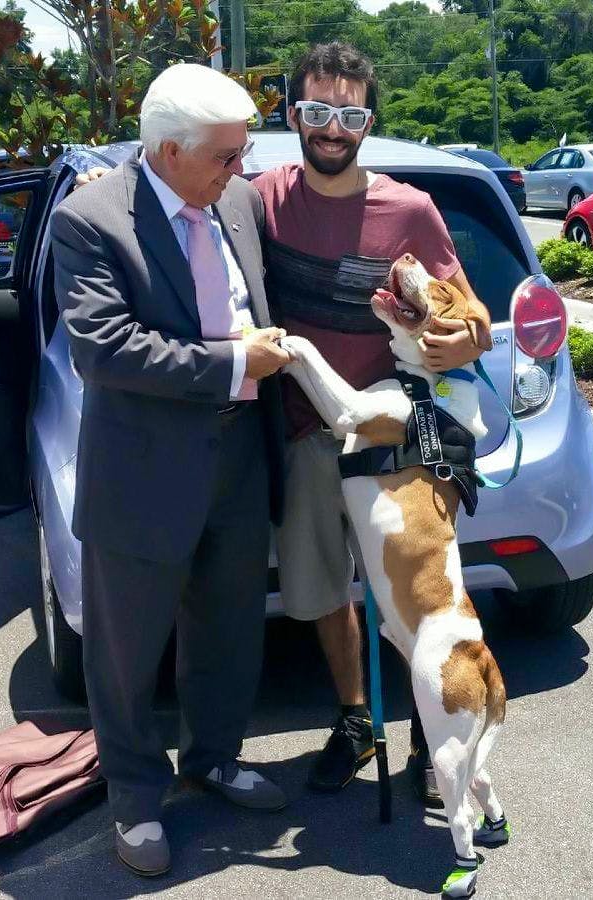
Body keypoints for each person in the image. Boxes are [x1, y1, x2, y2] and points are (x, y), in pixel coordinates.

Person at [50, 63, 292, 878]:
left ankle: (215, 758)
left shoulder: (238, 200)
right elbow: (105, 347)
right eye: (226, 156)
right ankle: (135, 797)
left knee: (228, 628)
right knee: (126, 650)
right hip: (145, 468)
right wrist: (233, 364)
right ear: (164, 151)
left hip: (239, 455)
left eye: (243, 153)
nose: (241, 169)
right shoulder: (89, 220)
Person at [252, 42, 493, 802]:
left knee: (411, 594)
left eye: (348, 113)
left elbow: (474, 314)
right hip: (306, 434)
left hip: (398, 437)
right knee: (323, 589)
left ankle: (429, 737)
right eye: (317, 110)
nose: (332, 127)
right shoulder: (261, 199)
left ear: (368, 120)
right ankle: (356, 719)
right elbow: (184, 199)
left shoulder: (409, 209)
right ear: (293, 114)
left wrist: (471, 336)